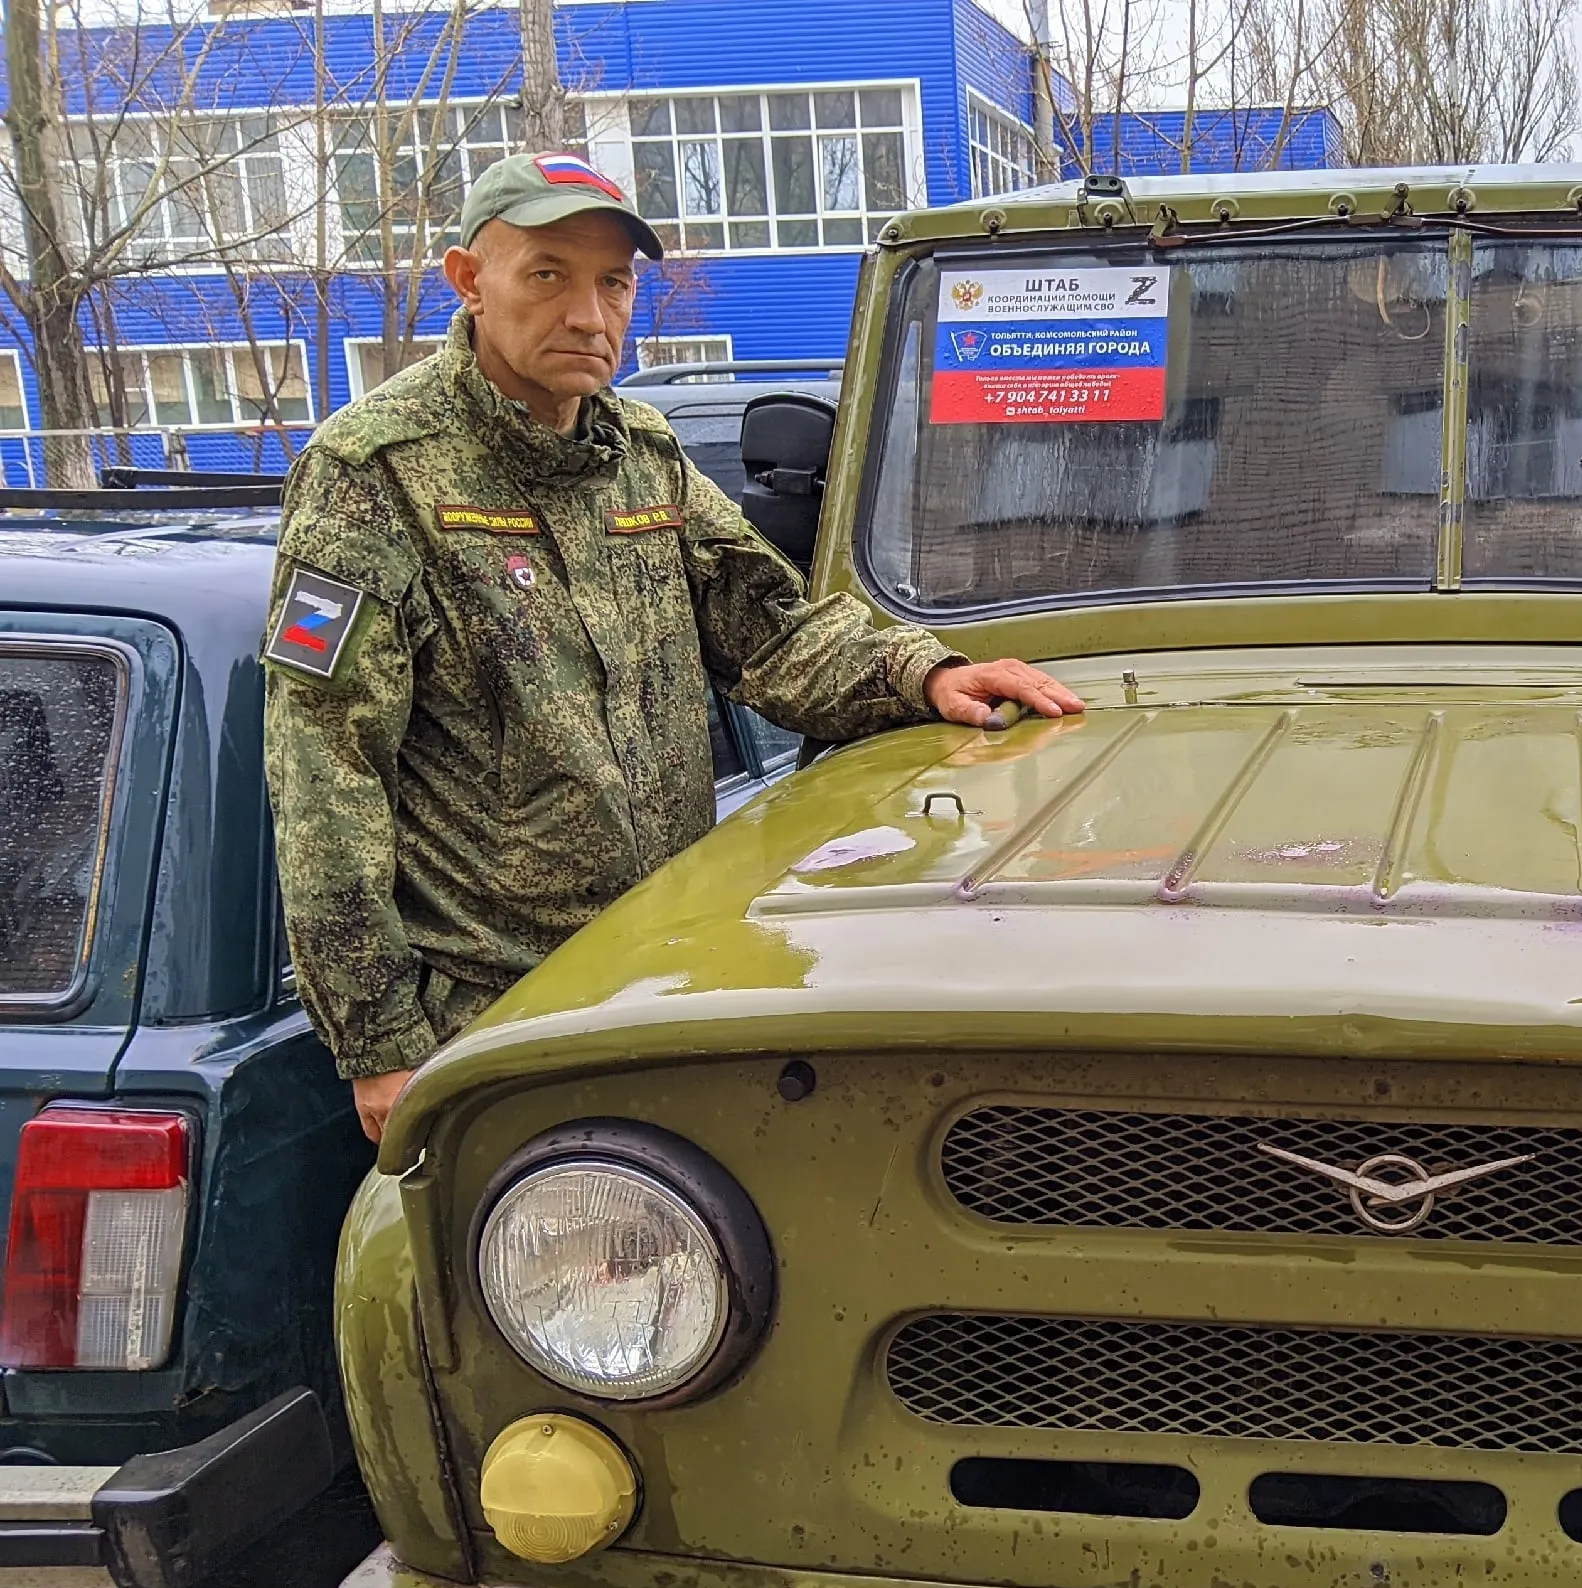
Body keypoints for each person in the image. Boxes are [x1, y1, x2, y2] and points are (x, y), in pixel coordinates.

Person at [263, 151, 1079, 1143]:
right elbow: (326, 771)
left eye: (613, 283)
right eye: (547, 275)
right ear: (470, 282)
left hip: (661, 981)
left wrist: (926, 671)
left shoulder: (641, 458)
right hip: (491, 1023)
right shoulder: (373, 474)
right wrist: (382, 1045)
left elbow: (771, 633)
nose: (588, 315)